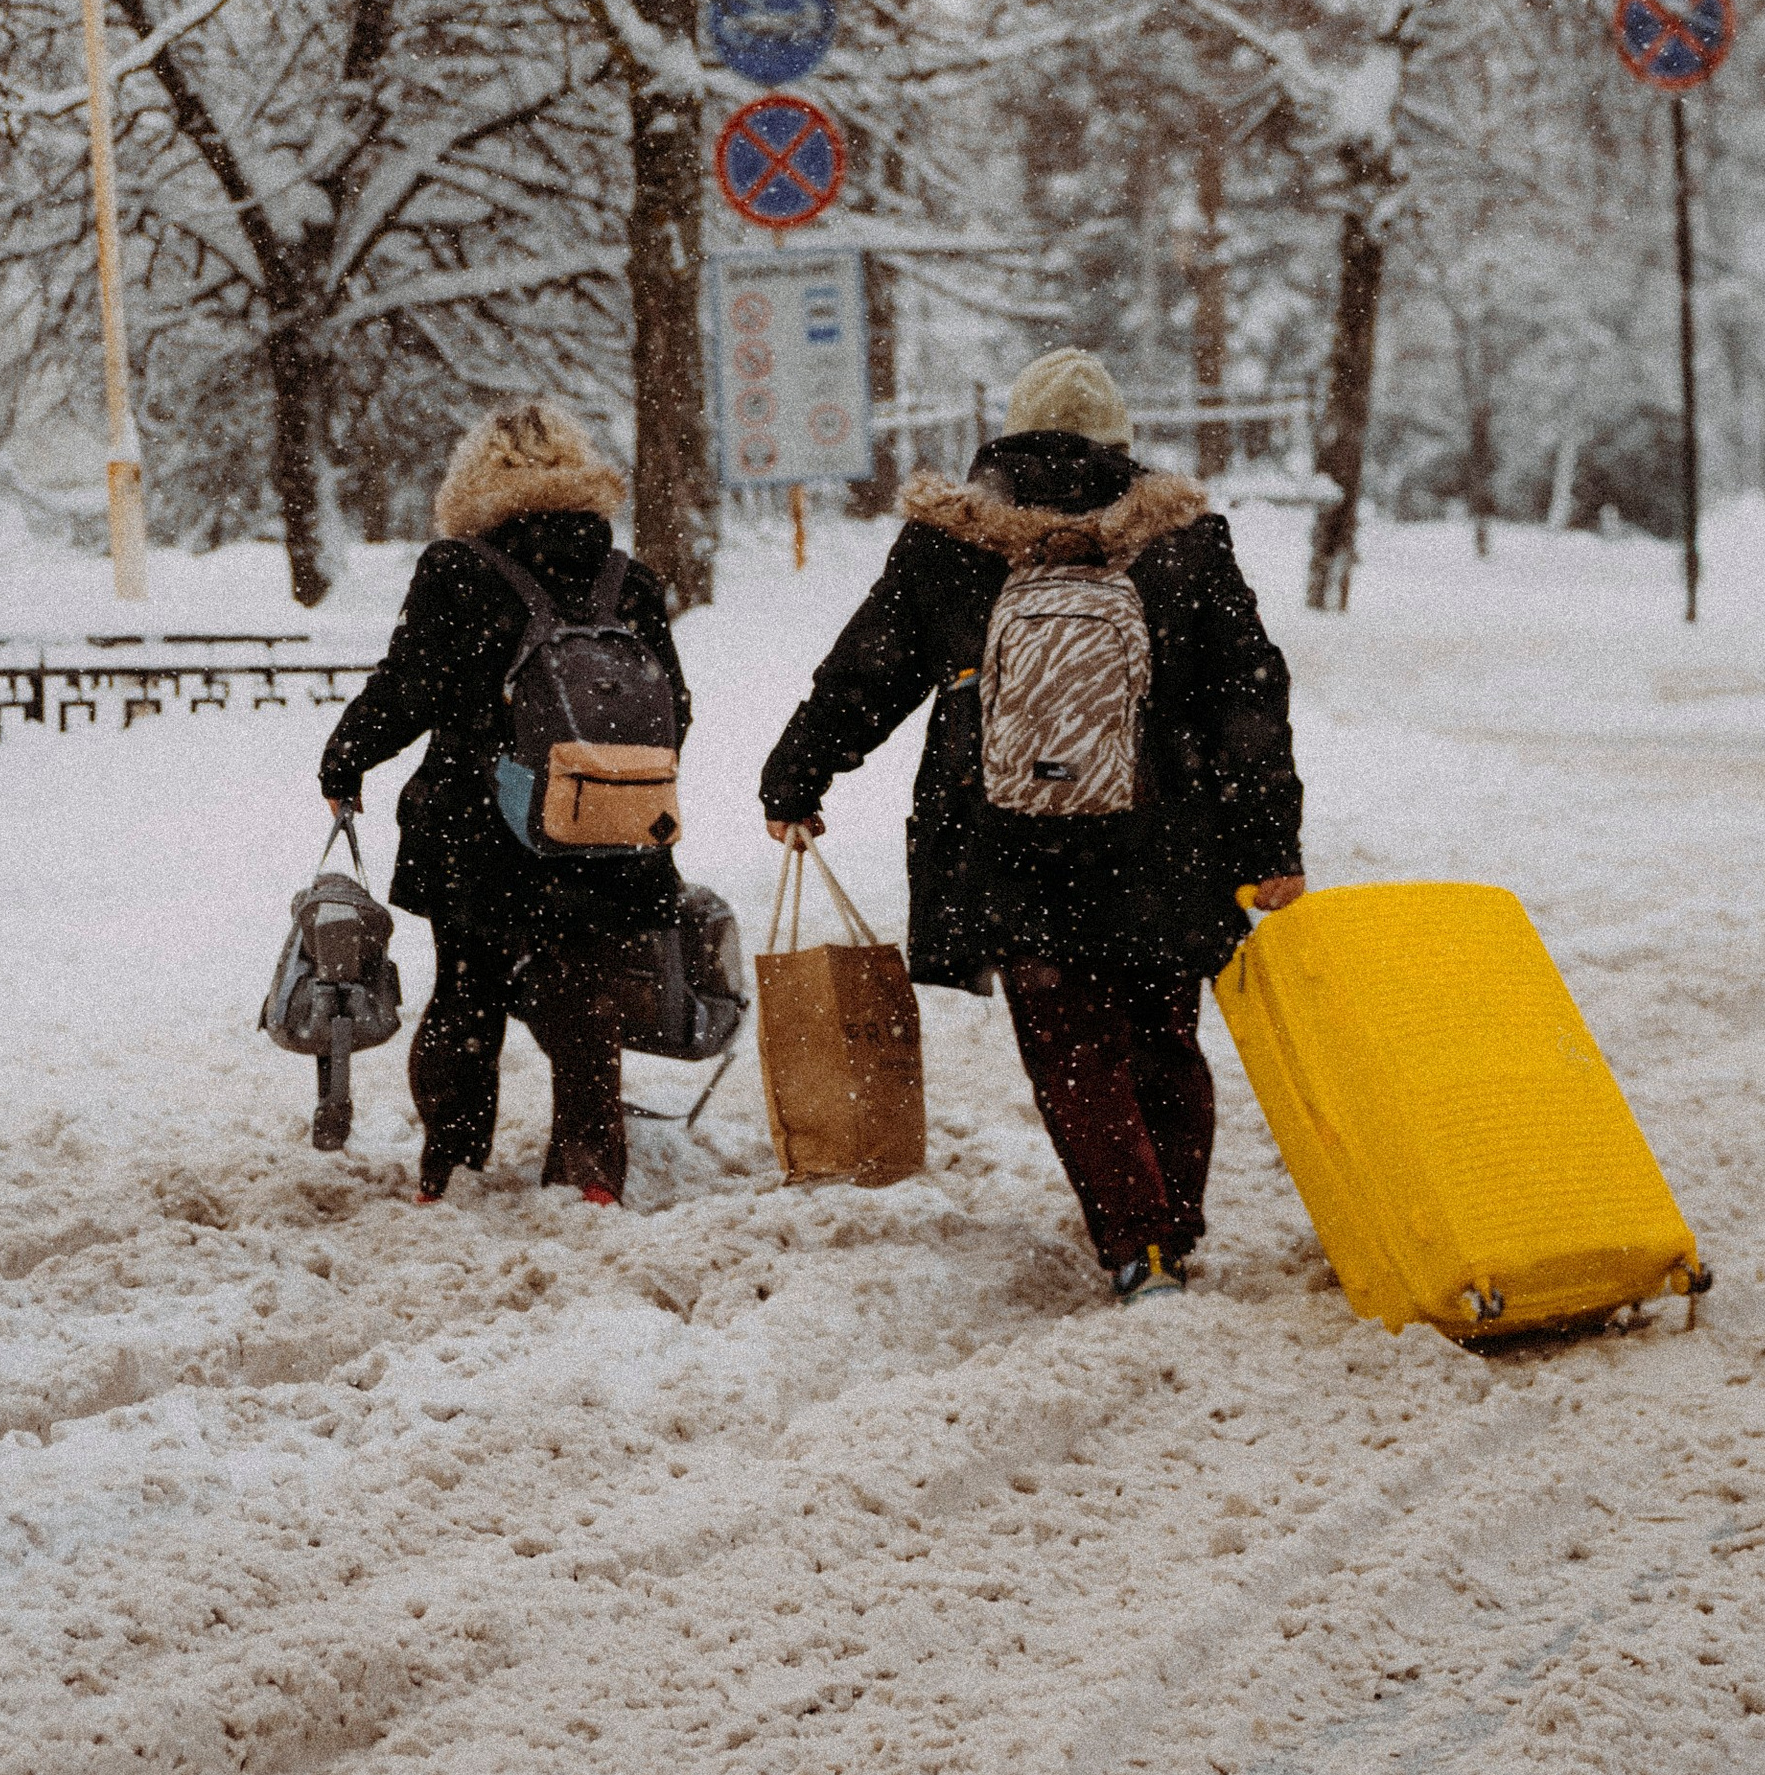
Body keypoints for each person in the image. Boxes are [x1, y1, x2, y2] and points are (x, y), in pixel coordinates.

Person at [759, 347, 1305, 1304]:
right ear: (1121, 444)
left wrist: (796, 775)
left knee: (1070, 1043)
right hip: (1161, 839)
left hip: (1011, 841)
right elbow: (1248, 699)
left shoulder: (955, 541)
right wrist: (1270, 847)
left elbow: (866, 672)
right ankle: (1170, 1220)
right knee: (1164, 1031)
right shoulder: (1184, 539)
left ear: (1007, 436)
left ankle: (1138, 1244)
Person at [315, 402, 689, 1204]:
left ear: (474, 481)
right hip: (607, 823)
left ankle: (448, 1168)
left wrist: (347, 756)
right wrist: (594, 780)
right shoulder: (630, 578)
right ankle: (590, 1172)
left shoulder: (458, 569)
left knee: (468, 989)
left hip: (478, 826)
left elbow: (406, 688)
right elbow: (674, 707)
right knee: (585, 994)